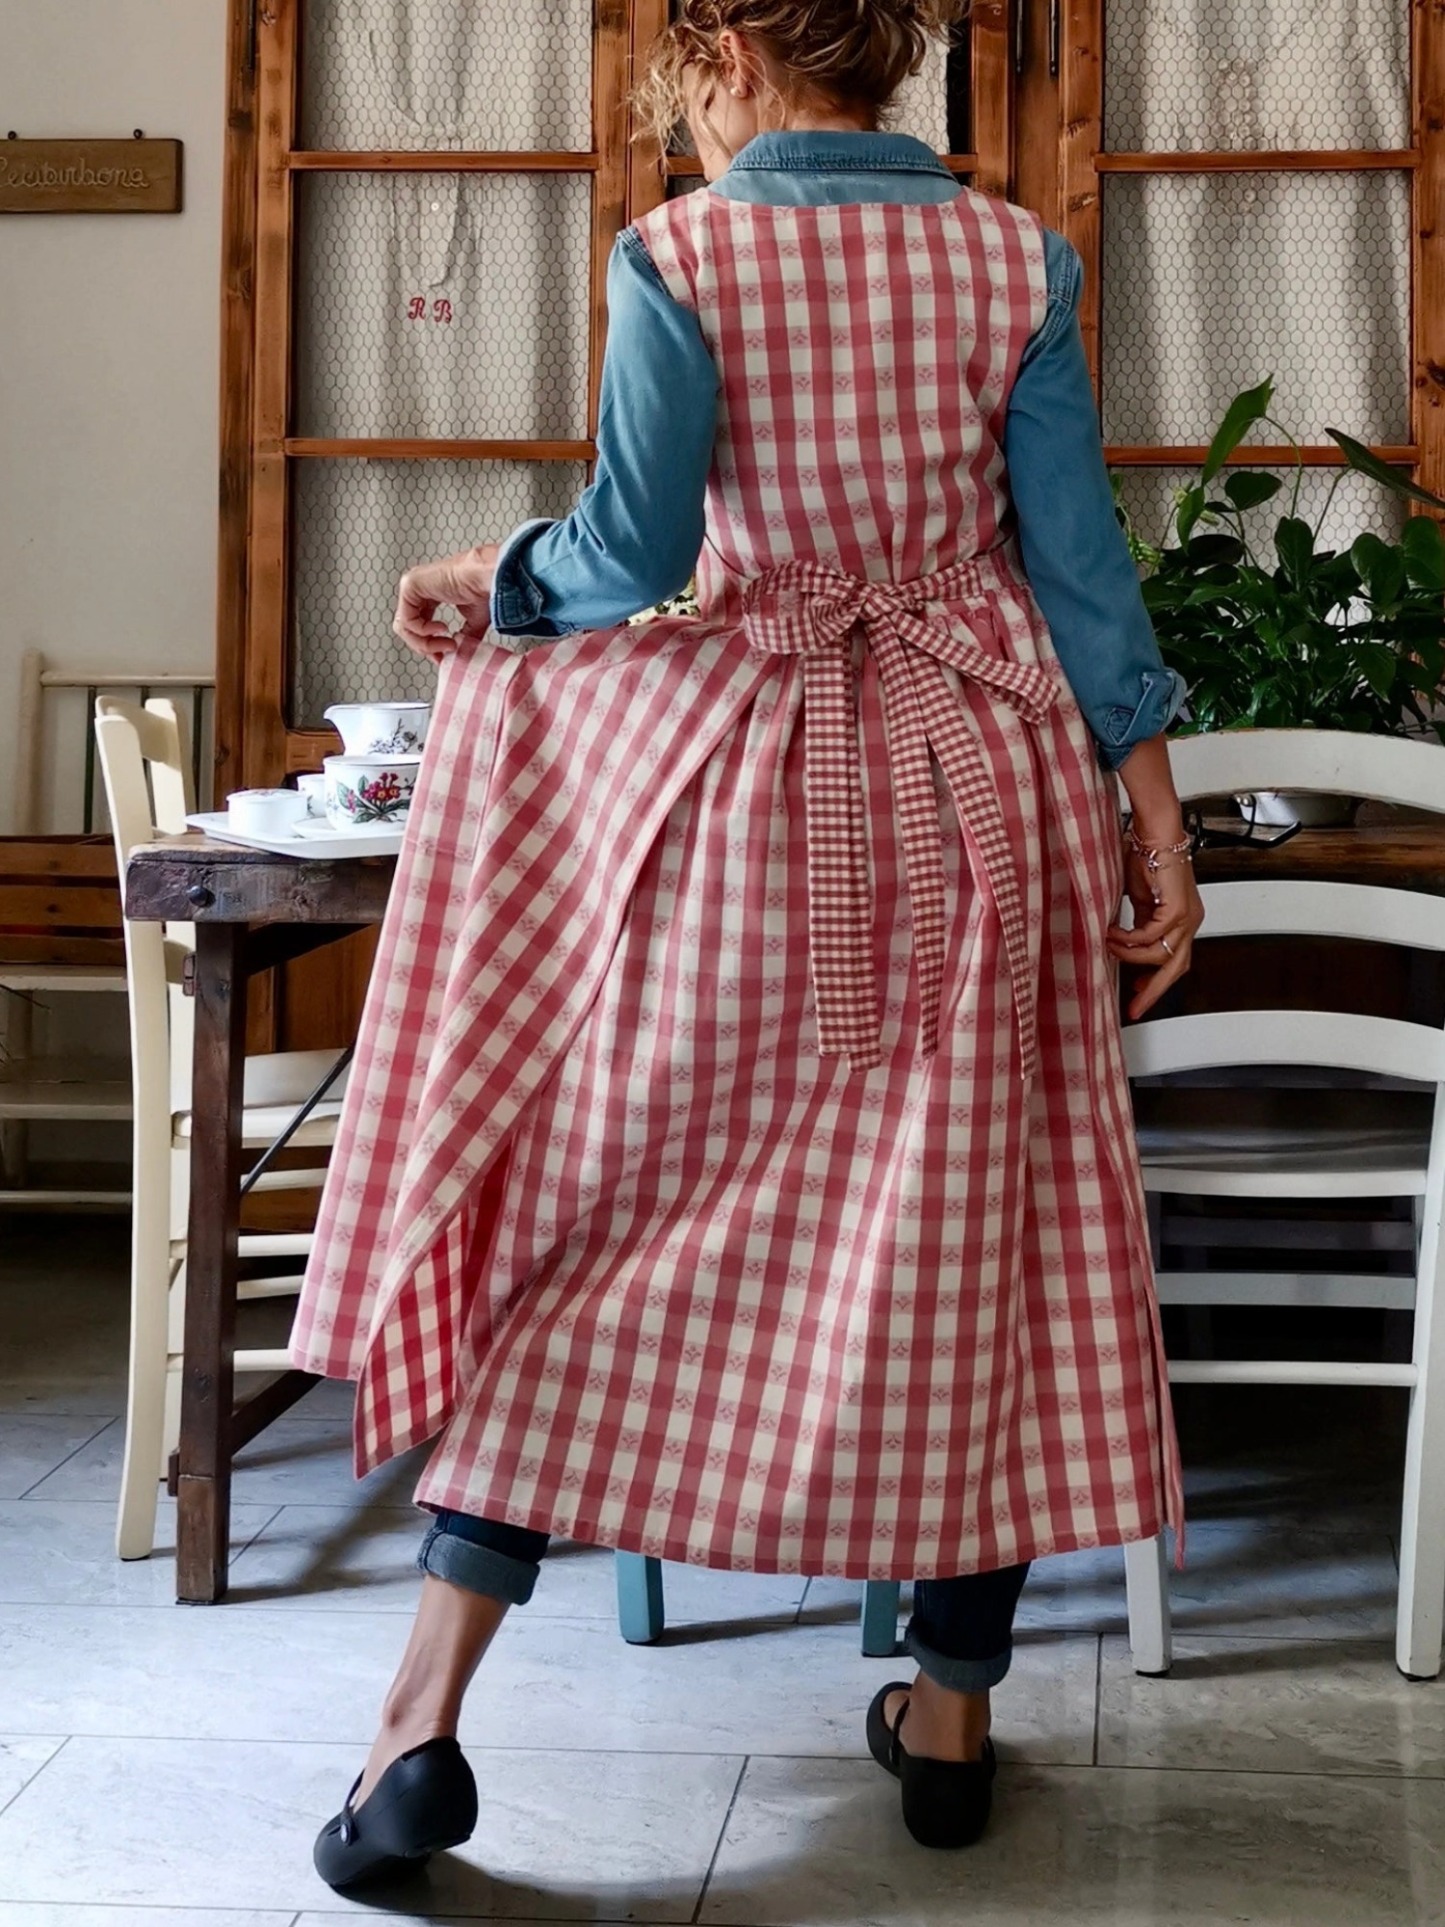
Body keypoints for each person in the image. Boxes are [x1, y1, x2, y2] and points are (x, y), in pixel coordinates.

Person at [294, 0, 1204, 1890]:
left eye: (688, 103)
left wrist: (485, 575)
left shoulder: (682, 254)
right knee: (976, 1243)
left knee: (594, 1218)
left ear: (725, 60)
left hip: (737, 817)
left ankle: (417, 1730)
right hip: (980, 800)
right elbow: (1075, 563)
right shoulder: (1010, 257)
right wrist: (1155, 817)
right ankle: (947, 1718)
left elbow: (631, 557)